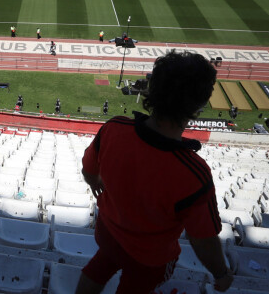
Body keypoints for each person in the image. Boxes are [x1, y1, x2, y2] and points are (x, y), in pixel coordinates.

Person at [76, 51, 232, 294]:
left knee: (97, 268)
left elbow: (88, 170)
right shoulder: (194, 174)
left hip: (108, 233)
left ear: (152, 89)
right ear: (198, 106)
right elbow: (203, 239)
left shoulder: (113, 129)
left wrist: (95, 181)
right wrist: (221, 272)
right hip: (150, 258)